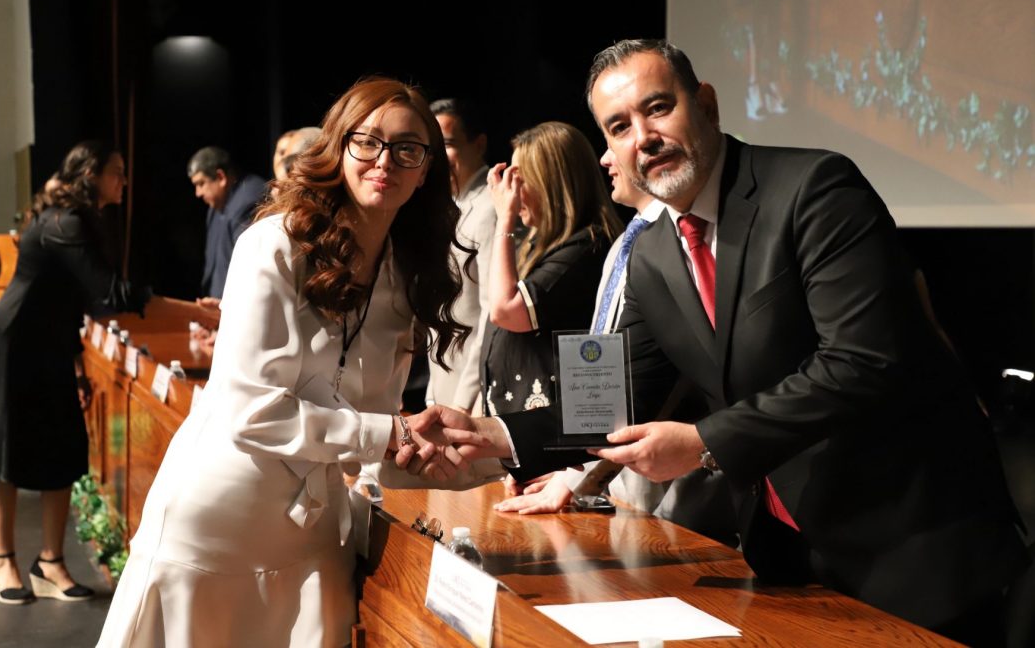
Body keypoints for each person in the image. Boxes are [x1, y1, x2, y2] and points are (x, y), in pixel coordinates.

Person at [414, 39, 1029, 644]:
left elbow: (861, 361)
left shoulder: (815, 187)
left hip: (917, 546)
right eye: (620, 126)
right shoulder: (652, 252)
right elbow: (613, 401)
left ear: (705, 104)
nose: (643, 138)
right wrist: (489, 434)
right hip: (793, 558)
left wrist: (706, 442)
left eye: (658, 108)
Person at [97, 78, 503, 647]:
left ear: (426, 170)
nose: (385, 160)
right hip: (218, 521)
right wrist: (393, 434)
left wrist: (436, 451)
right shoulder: (273, 245)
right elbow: (252, 413)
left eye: (408, 148)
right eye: (368, 141)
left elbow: (364, 431)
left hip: (313, 535)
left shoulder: (404, 271)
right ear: (338, 147)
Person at [493, 149, 737, 546]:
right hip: (615, 472)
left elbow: (648, 376)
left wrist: (574, 475)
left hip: (672, 474)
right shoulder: (627, 241)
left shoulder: (675, 243)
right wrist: (570, 472)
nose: (605, 159)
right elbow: (600, 360)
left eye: (617, 136)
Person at [0, 141, 151, 605]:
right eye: (117, 171)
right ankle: (2, 560)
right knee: (6, 449)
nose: (124, 180)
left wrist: (77, 367)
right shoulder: (65, 222)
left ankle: (50, 563)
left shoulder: (84, 220)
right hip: (15, 342)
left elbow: (71, 300)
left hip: (53, 345)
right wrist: (191, 311)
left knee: (64, 448)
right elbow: (109, 294)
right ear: (91, 175)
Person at [481, 121, 619, 418]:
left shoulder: (587, 246)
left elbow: (505, 310)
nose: (511, 192)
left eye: (520, 180)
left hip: (552, 433)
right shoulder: (540, 244)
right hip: (518, 425)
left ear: (551, 183)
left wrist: (505, 219)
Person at [423, 98, 495, 412]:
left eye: (448, 145)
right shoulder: (445, 207)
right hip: (444, 390)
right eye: (432, 149)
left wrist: (464, 402)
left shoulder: (493, 206)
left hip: (478, 397)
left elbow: (492, 313)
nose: (438, 158)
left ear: (479, 145)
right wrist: (432, 394)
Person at [187, 146, 267, 299]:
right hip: (218, 306)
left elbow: (249, 268)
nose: (198, 193)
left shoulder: (249, 200)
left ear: (221, 177)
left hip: (238, 305)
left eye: (201, 183)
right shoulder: (216, 206)